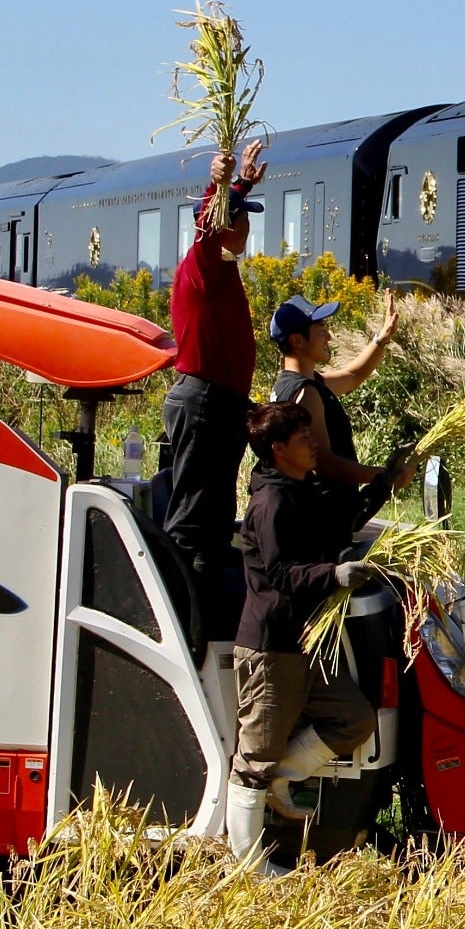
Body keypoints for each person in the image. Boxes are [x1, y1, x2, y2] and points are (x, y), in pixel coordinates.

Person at [226, 400, 380, 865]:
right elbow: (281, 573)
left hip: (306, 643)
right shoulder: (271, 502)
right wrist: (334, 575)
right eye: (302, 439)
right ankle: (247, 868)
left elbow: (337, 524)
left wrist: (385, 484)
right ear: (277, 449)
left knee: (354, 719)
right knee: (253, 762)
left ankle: (282, 780)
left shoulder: (300, 489)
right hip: (272, 650)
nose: (314, 444)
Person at [161, 140, 269, 629]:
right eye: (239, 216)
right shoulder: (203, 264)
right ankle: (184, 618)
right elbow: (206, 225)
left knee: (214, 514)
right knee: (194, 519)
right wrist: (224, 184)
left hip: (219, 403)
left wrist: (240, 185)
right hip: (203, 400)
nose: (245, 225)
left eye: (247, 216)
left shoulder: (223, 271)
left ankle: (202, 606)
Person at [264, 286, 407, 511]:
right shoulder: (305, 394)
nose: (328, 336)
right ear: (297, 340)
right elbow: (325, 463)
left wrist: (382, 337)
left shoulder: (302, 383)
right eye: (320, 328)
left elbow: (352, 376)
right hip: (325, 519)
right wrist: (384, 475)